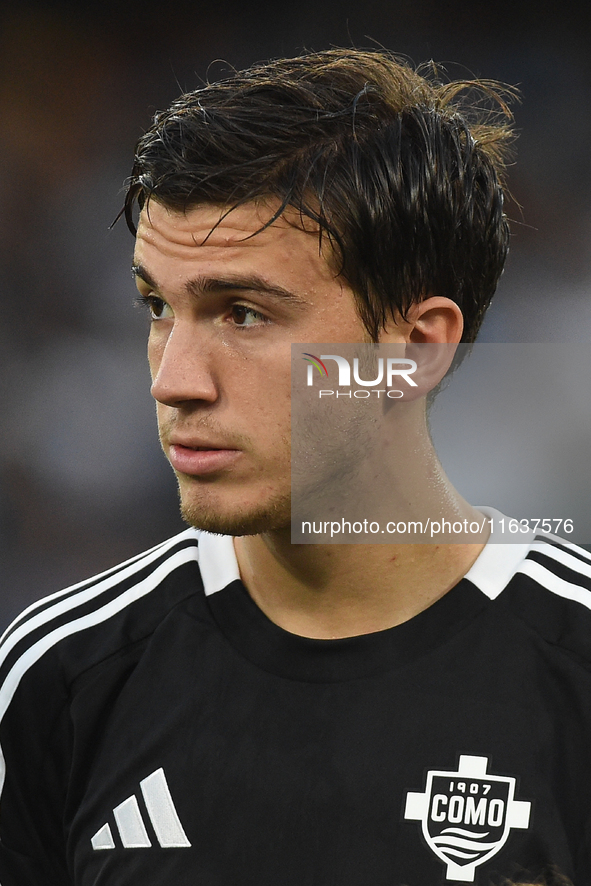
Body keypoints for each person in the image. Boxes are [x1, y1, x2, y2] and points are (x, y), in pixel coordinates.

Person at [0, 48, 588, 886]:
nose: (173, 381)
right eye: (157, 307)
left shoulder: (572, 670)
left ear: (415, 346)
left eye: (241, 313)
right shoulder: (64, 674)